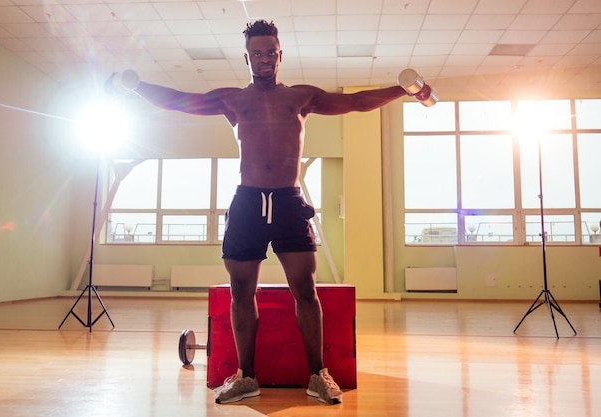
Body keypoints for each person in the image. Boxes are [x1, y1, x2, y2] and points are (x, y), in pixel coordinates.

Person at [108, 19, 431, 405]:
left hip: (288, 202)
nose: (265, 59)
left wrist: (408, 90)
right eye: (257, 54)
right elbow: (179, 99)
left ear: (281, 55)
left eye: (271, 53)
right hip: (247, 202)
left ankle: (318, 375)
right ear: (247, 58)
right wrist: (135, 86)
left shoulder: (300, 97)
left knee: (306, 290)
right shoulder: (233, 99)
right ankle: (246, 377)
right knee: (241, 291)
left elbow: (358, 102)